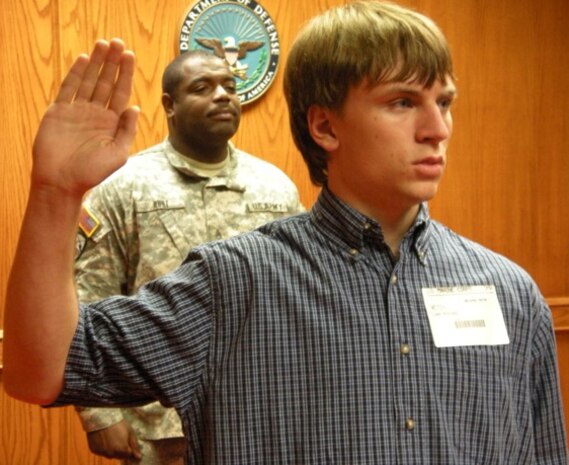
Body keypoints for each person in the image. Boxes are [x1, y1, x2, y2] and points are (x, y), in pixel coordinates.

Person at [4, 2, 568, 464]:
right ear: (325, 125)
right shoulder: (231, 284)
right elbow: (38, 371)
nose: (438, 129)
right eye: (403, 102)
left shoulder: (511, 293)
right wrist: (56, 194)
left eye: (444, 102)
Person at [73, 49, 304, 465]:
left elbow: (300, 301)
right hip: (161, 426)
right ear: (169, 105)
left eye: (230, 87)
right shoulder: (124, 186)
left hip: (262, 419)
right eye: (202, 87)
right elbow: (87, 298)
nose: (223, 96)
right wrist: (98, 413)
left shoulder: (276, 189)